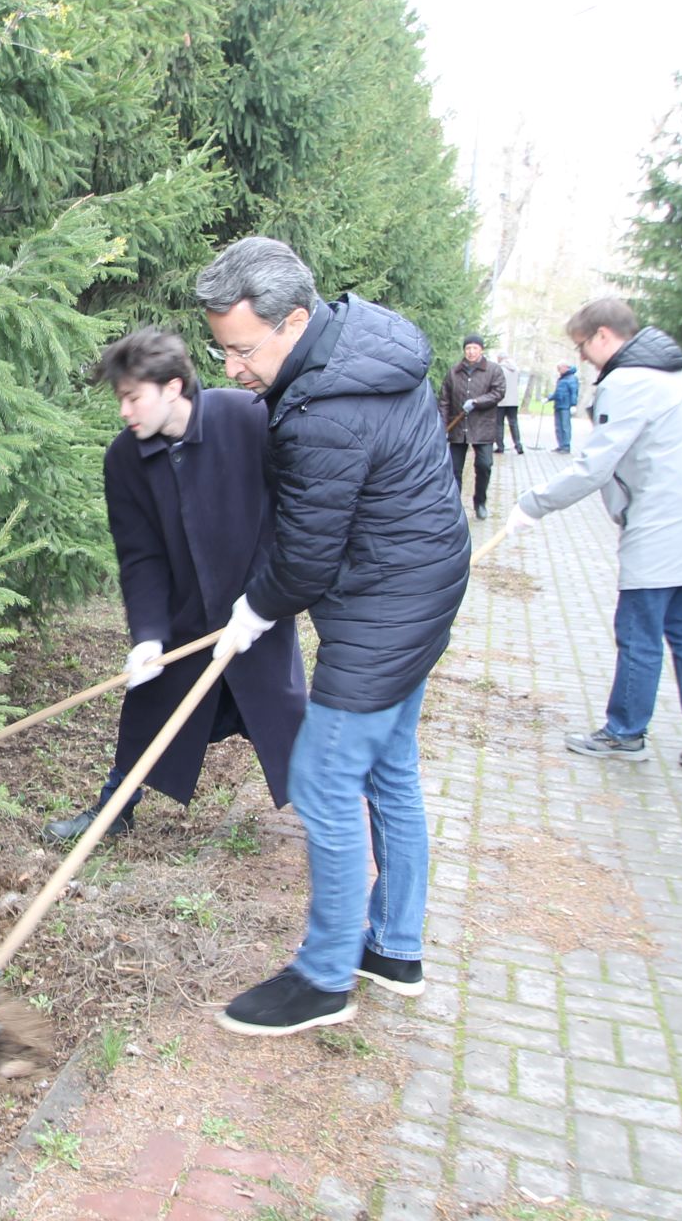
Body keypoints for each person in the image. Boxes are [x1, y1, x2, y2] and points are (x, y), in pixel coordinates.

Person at [194, 237, 470, 1037]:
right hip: (422, 578)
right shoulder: (367, 340)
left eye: (243, 350)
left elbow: (307, 555)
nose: (234, 369)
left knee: (322, 776)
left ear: (296, 321)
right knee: (390, 768)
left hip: (386, 603)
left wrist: (254, 609)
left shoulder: (325, 412)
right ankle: (395, 947)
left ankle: (323, 979)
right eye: (222, 349)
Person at [42, 328, 307, 843]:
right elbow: (140, 557)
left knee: (282, 718)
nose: (124, 411)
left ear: (173, 387)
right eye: (120, 398)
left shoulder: (248, 419)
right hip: (187, 618)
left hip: (257, 611)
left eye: (132, 397)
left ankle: (333, 814)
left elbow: (290, 514)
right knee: (148, 713)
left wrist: (263, 599)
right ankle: (113, 811)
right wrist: (147, 635)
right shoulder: (125, 459)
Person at [506, 298, 682, 767]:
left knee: (639, 633)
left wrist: (532, 504)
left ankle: (624, 733)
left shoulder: (628, 382)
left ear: (602, 336)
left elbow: (595, 466)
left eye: (582, 347)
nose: (583, 359)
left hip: (664, 527)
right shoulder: (681, 376)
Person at [438, 335, 506, 519]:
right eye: (468, 348)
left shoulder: (493, 370)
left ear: (481, 350)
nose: (471, 352)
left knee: (484, 465)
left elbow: (499, 392)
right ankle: (454, 505)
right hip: (458, 427)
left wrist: (477, 401)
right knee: (453, 469)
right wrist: (442, 427)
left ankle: (480, 502)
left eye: (475, 348)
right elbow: (444, 400)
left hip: (482, 427)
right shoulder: (454, 372)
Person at [494, 356, 530, 455]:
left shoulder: (499, 369)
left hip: (501, 401)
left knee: (499, 424)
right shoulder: (516, 369)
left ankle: (500, 446)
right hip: (513, 401)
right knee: (513, 423)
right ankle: (518, 446)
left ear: (500, 359)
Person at [550, 362, 580, 452]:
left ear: (566, 367)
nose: (559, 370)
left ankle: (566, 446)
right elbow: (557, 392)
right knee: (558, 427)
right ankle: (561, 445)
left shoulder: (572, 378)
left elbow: (574, 392)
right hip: (558, 405)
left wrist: (573, 405)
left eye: (560, 368)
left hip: (566, 406)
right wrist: (549, 398)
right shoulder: (561, 379)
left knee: (565, 427)